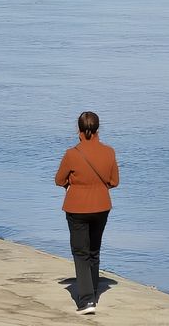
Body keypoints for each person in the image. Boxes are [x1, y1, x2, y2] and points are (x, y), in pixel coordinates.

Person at [55, 111, 119, 315]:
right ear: (98, 129)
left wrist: (73, 183)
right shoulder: (109, 152)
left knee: (81, 253)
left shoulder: (72, 153)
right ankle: (92, 290)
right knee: (94, 250)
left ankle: (86, 301)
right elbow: (114, 181)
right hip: (101, 206)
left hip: (77, 208)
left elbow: (58, 180)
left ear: (79, 130)